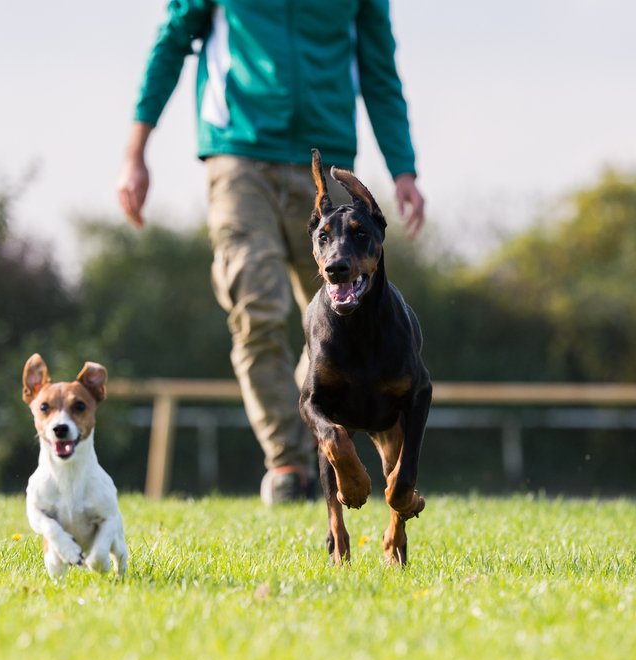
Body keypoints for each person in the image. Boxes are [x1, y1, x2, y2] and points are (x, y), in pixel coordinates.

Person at [116, 0, 425, 504]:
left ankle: (326, 442)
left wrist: (403, 168)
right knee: (256, 308)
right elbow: (173, 39)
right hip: (239, 153)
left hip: (324, 160)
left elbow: (378, 67)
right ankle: (289, 462)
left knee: (346, 316)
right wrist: (135, 151)